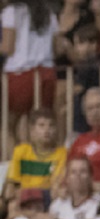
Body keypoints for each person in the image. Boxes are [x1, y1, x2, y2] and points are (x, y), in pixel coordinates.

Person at [0, 0, 60, 148]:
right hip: (46, 73)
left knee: (7, 124)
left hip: (20, 73)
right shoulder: (49, 13)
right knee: (36, 123)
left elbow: (8, 47)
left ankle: (12, 162)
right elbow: (57, 48)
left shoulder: (12, 12)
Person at [3, 108, 67, 214]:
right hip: (21, 200)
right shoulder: (20, 151)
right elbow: (12, 185)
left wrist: (28, 193)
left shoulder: (63, 153)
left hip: (46, 200)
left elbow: (54, 188)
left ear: (56, 129)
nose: (47, 130)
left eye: (51, 125)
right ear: (32, 130)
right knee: (11, 204)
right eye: (41, 125)